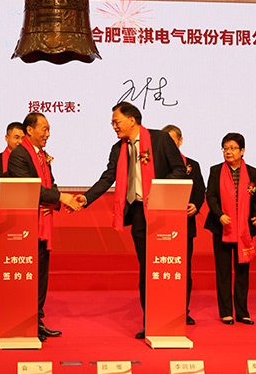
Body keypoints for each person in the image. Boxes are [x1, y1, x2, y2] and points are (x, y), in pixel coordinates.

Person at [77, 102, 186, 339]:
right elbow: (108, 177)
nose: (114, 126)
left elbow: (179, 169)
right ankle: (151, 321)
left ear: (132, 120)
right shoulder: (118, 148)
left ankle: (171, 317)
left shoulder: (160, 139)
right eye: (112, 123)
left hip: (162, 214)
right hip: (138, 213)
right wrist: (85, 198)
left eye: (116, 122)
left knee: (164, 266)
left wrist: (158, 191)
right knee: (147, 268)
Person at [7, 112, 81, 341]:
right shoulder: (19, 155)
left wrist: (58, 201)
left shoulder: (42, 155)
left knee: (40, 274)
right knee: (28, 275)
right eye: (44, 129)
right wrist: (60, 198)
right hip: (25, 226)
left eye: (49, 129)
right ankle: (25, 322)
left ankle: (37, 319)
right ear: (29, 130)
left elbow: (50, 184)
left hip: (41, 222)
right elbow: (28, 187)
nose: (48, 134)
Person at [204, 132, 256, 325]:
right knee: (223, 271)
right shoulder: (215, 171)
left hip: (244, 229)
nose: (228, 152)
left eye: (232, 148)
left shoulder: (252, 172)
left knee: (242, 271)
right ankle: (226, 312)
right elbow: (211, 196)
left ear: (242, 151)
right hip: (221, 227)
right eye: (225, 148)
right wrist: (219, 214)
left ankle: (242, 312)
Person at [162, 124, 206, 325]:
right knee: (161, 269)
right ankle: (161, 310)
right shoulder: (155, 165)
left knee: (183, 270)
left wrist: (195, 205)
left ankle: (182, 311)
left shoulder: (192, 165)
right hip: (160, 227)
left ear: (180, 141)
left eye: (172, 141)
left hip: (185, 225)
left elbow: (199, 190)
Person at [0, 121, 25, 327]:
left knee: (22, 265)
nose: (19, 142)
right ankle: (2, 311)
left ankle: (22, 310)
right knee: (2, 266)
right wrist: (11, 172)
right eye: (16, 137)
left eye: (22, 138)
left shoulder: (30, 159)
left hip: (24, 218)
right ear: (7, 138)